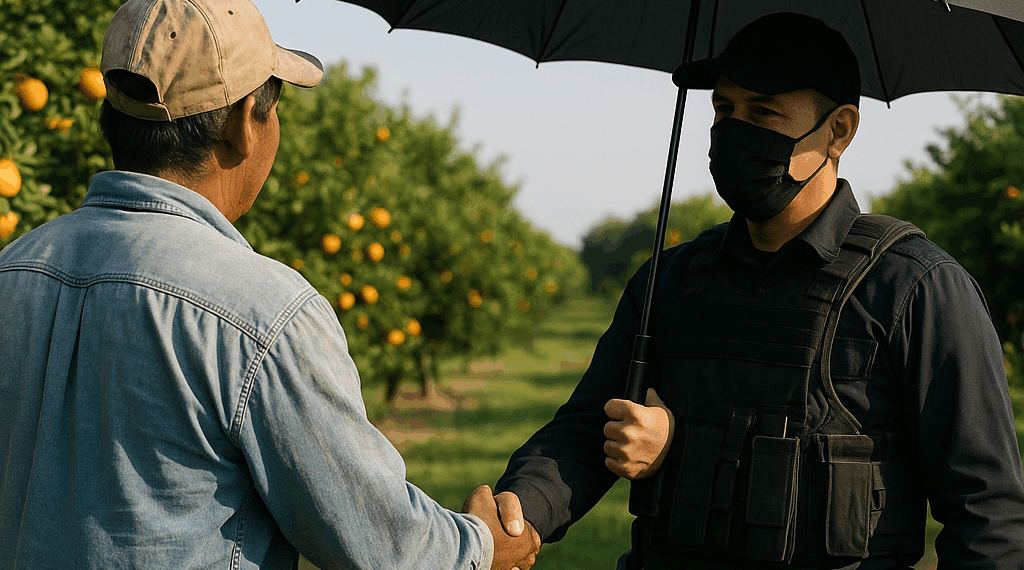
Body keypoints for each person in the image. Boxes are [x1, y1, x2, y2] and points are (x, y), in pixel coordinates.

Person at [0, 1, 539, 568]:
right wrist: (480, 545)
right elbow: (386, 548)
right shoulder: (262, 314)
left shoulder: (13, 269)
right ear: (240, 128)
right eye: (273, 104)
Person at [490, 13, 1024, 570]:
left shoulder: (916, 290)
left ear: (839, 130)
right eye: (724, 109)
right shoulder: (669, 281)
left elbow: (989, 517)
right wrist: (516, 514)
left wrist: (680, 452)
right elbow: (585, 430)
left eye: (764, 111)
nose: (734, 132)